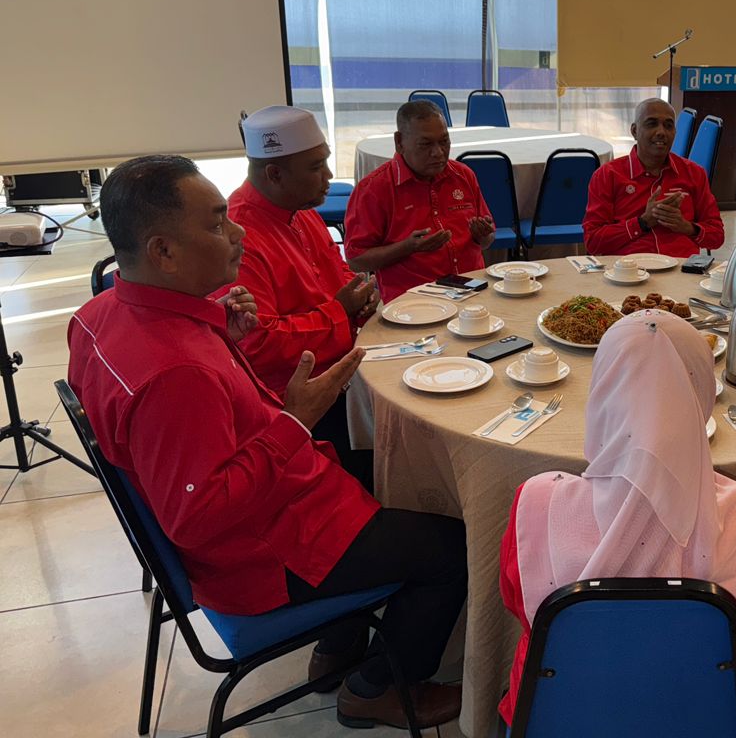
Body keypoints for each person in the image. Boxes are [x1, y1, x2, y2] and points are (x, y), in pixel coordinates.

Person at [67, 156, 468, 731]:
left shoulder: (98, 313)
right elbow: (195, 515)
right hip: (261, 552)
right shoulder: (178, 374)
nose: (237, 233)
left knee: (380, 467)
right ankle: (377, 689)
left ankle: (337, 648)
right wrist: (295, 422)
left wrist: (216, 330)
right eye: (216, 223)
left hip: (268, 503)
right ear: (164, 252)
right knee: (451, 548)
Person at [496, 310, 736, 731]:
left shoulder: (536, 504)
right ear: (703, 393)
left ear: (601, 392)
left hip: (562, 716)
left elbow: (519, 607)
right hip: (705, 718)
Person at [224, 106, 379, 482]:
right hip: (299, 405)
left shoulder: (300, 207)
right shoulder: (238, 235)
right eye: (316, 167)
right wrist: (341, 312)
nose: (329, 176)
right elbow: (257, 343)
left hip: (345, 369)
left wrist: (360, 298)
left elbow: (338, 273)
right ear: (274, 174)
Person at [345, 100, 496, 302]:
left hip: (472, 293)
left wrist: (482, 235)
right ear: (399, 142)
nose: (438, 152)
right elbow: (356, 260)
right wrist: (408, 247)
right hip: (412, 303)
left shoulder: (463, 175)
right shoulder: (374, 189)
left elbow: (486, 241)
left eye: (444, 141)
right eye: (426, 144)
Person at [583, 99, 725, 258]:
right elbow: (593, 242)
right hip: (628, 268)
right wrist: (642, 222)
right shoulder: (608, 175)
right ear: (634, 131)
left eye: (668, 126)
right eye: (651, 124)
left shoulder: (694, 173)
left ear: (675, 133)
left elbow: (717, 237)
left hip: (680, 267)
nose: (661, 132)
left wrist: (687, 227)